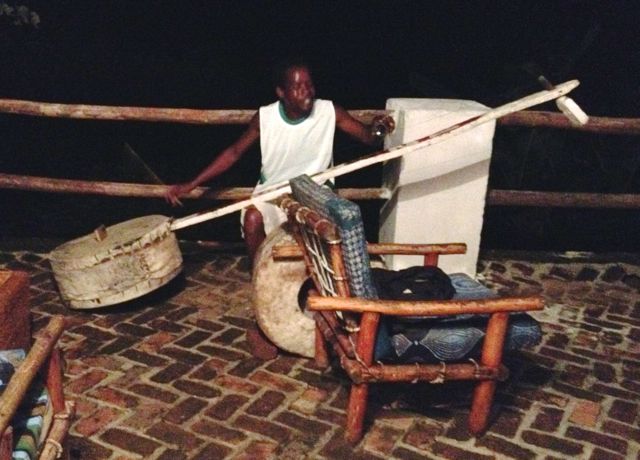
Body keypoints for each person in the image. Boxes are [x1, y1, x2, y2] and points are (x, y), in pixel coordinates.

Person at [165, 58, 395, 262]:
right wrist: (191, 184)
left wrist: (379, 127)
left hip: (314, 191)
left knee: (319, 225)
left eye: (309, 84)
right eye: (297, 86)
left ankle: (320, 281)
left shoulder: (328, 111)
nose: (306, 91)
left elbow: (368, 137)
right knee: (253, 218)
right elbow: (234, 152)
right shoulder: (265, 117)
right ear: (281, 92)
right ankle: (261, 280)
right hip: (273, 191)